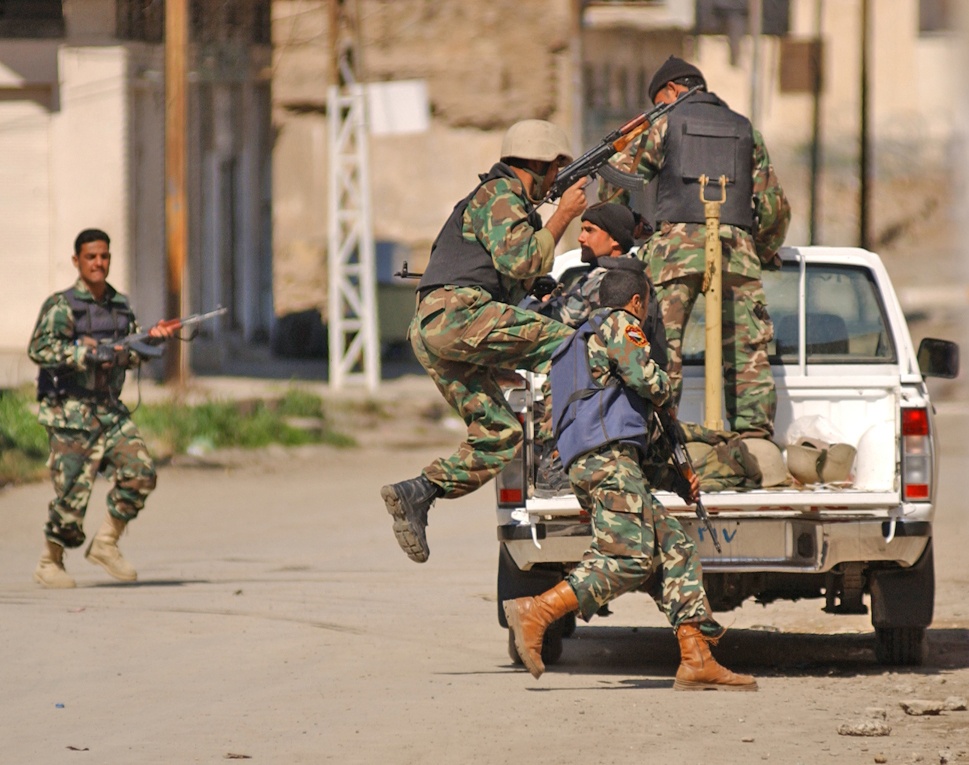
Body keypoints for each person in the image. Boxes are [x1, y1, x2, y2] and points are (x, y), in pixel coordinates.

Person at [502, 267, 757, 691]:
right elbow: (647, 380)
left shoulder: (575, 345)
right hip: (608, 461)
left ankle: (697, 658)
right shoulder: (620, 324)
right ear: (637, 302)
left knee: (674, 546)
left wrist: (675, 479)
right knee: (631, 557)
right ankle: (538, 611)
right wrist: (667, 396)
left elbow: (612, 416)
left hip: (596, 461)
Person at [380, 120, 588, 563]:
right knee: (573, 346)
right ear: (538, 163)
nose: (556, 181)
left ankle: (420, 492)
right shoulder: (498, 196)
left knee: (500, 434)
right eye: (555, 170)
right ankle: (557, 463)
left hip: (438, 329)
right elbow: (522, 257)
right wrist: (565, 215)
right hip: (458, 316)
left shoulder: (501, 204)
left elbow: (513, 271)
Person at [604, 55, 791, 439]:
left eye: (659, 99)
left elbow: (618, 180)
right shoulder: (744, 128)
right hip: (736, 251)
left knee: (661, 345)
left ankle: (661, 440)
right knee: (746, 351)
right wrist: (759, 247)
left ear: (673, 91)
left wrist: (623, 232)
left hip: (674, 255)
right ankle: (754, 446)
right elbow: (774, 208)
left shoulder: (664, 122)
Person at [28, 228, 175, 588]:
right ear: (77, 261)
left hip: (109, 412)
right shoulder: (61, 306)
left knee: (141, 473)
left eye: (104, 256)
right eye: (91, 257)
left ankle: (106, 542)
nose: (99, 263)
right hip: (71, 413)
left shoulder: (120, 306)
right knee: (71, 497)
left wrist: (148, 343)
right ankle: (50, 561)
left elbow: (132, 351)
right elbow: (40, 349)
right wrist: (85, 352)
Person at [533, 202, 667, 493]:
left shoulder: (605, 279)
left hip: (610, 409)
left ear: (614, 240)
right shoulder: (630, 275)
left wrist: (529, 295)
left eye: (589, 230)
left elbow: (550, 321)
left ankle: (556, 463)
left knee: (558, 362)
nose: (581, 237)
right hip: (625, 404)